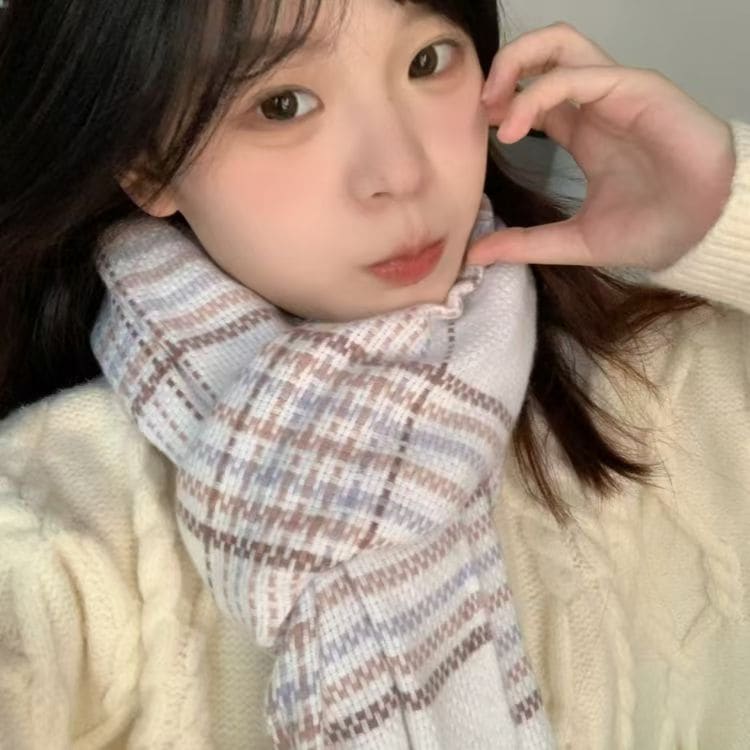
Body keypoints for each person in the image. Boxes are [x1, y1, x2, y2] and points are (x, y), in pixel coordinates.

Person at [0, 0, 747, 747]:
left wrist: (723, 202)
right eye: (282, 104)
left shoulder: (669, 382)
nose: (401, 172)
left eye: (428, 61)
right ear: (148, 164)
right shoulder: (59, 519)